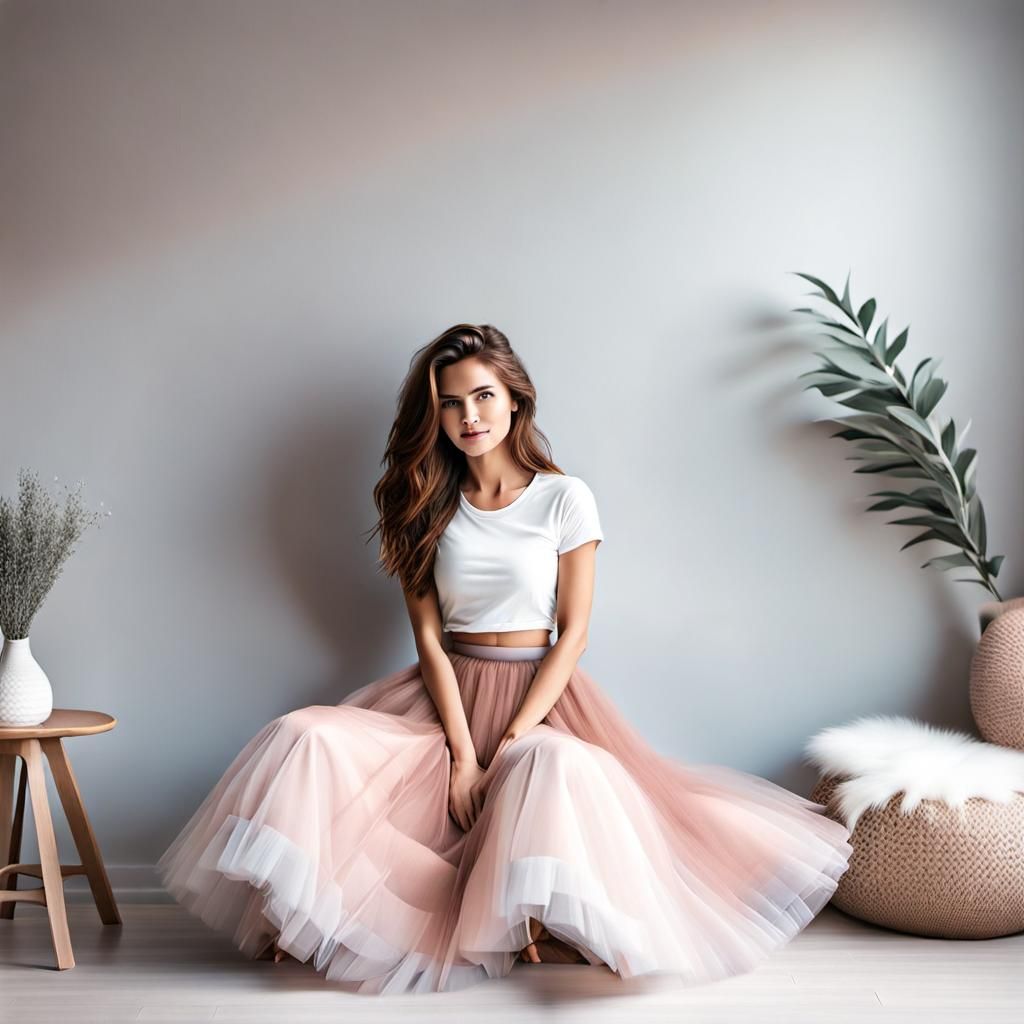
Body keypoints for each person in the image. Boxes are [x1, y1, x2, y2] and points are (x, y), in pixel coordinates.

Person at [157, 323, 853, 996]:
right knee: (305, 735)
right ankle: (320, 918)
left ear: (515, 400)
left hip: (542, 697)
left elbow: (573, 634)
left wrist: (516, 734)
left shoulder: (564, 498)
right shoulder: (426, 505)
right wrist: (463, 755)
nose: (469, 416)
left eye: (483, 396)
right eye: (451, 403)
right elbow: (429, 640)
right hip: (444, 700)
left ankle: (553, 922)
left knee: (556, 764)